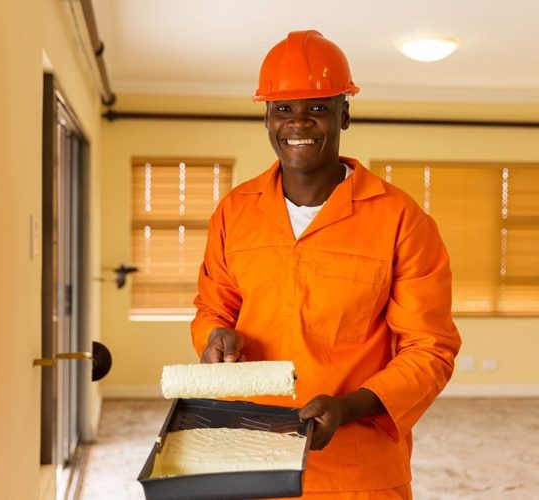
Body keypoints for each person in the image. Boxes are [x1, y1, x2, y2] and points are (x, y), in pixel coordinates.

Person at [191, 30, 461, 499]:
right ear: (267, 118)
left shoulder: (401, 220)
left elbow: (429, 348)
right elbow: (214, 307)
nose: (298, 123)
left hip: (356, 470)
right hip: (249, 447)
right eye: (283, 109)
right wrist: (215, 338)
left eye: (317, 108)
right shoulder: (236, 211)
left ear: (345, 113)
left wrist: (352, 406)